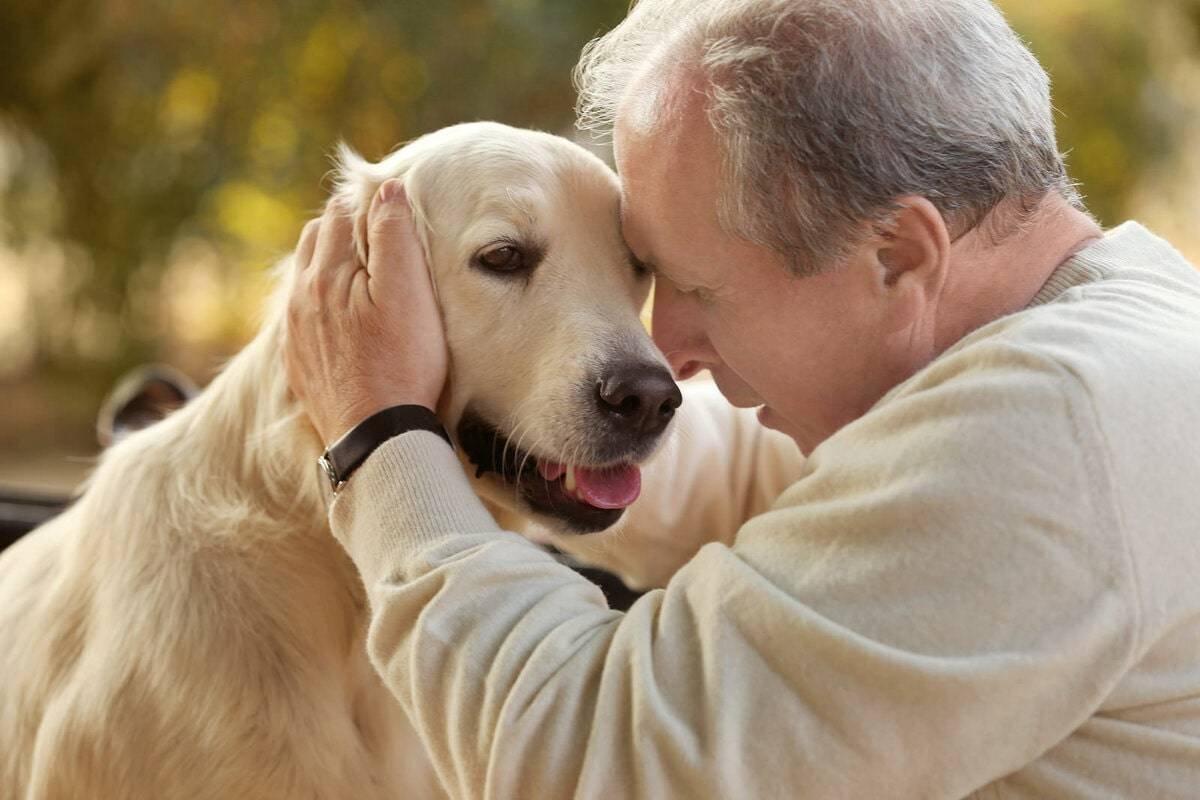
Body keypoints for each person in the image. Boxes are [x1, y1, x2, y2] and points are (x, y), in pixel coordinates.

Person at [284, 0, 1200, 796]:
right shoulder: (1117, 332)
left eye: (697, 287)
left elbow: (598, 761)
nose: (668, 350)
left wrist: (381, 438)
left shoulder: (1048, 436)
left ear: (898, 256)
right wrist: (500, 408)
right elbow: (765, 483)